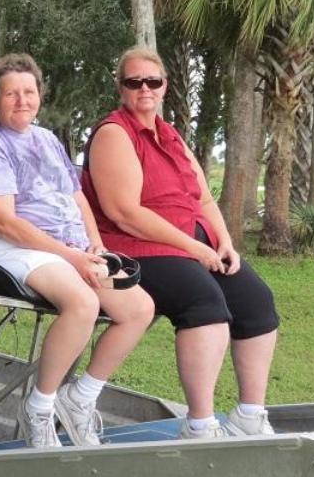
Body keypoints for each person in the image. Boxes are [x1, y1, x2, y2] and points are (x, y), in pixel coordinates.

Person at [0, 53, 155, 448]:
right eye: (10, 94)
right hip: (7, 245)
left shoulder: (47, 139)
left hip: (66, 247)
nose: (22, 101)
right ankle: (40, 407)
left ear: (39, 96)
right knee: (81, 303)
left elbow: (77, 196)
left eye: (29, 92)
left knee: (138, 309)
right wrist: (73, 257)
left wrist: (93, 243)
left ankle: (79, 399)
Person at [81, 46, 279, 439]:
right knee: (203, 302)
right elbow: (124, 213)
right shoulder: (114, 134)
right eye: (134, 82)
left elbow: (203, 198)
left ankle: (249, 415)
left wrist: (223, 241)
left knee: (255, 300)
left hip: (190, 242)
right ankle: (200, 424)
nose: (144, 89)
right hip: (135, 246)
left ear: (165, 86)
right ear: (121, 87)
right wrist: (194, 248)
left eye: (152, 81)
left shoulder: (169, 136)